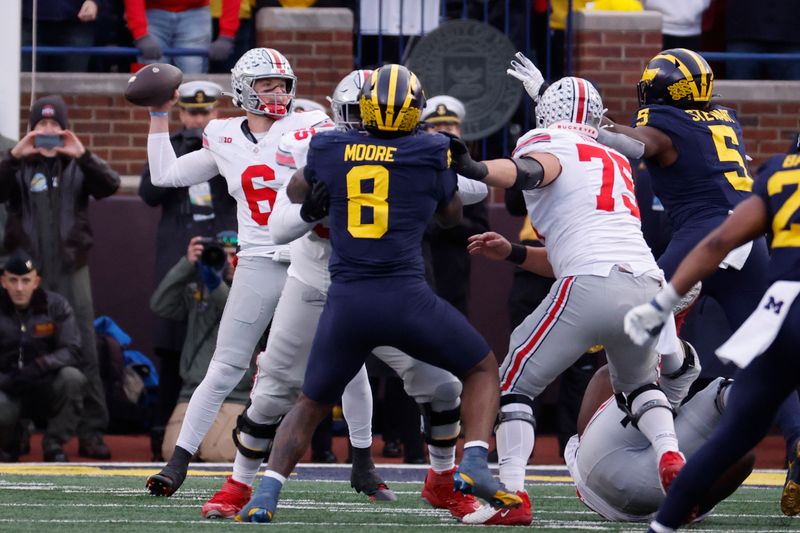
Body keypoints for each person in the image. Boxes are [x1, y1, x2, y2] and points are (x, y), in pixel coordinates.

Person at [233, 64, 521, 523]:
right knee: (482, 367)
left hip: (347, 301)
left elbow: (294, 189)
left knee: (309, 402)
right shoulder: (431, 149)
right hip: (406, 297)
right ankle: (474, 461)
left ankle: (265, 494)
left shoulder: (327, 145)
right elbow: (451, 218)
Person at [451, 74, 691, 526]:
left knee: (513, 384)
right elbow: (572, 251)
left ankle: (513, 497)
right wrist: (514, 252)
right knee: (640, 385)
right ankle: (671, 457)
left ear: (546, 116)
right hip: (645, 284)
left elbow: (528, 170)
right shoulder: (613, 155)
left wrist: (478, 169)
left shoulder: (548, 140)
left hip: (591, 282)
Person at [598, 48, 800, 487]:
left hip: (705, 238)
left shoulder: (666, 124)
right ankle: (798, 440)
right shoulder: (724, 116)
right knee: (766, 358)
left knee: (631, 319)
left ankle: (634, 433)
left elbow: (635, 143)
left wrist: (582, 123)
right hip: (750, 239)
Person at [144, 47, 333, 497]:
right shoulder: (222, 135)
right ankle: (178, 462)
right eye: (266, 83)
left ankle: (362, 461)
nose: (277, 92)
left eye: (283, 84)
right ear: (244, 89)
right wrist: (157, 114)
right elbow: (165, 174)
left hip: (308, 258)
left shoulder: (310, 127)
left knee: (340, 363)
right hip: (258, 260)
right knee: (225, 364)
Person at [624, 143, 800, 531]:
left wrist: (661, 303)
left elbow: (719, 241)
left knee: (735, 434)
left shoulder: (780, 172)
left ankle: (663, 526)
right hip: (767, 291)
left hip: (781, 310)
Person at [0, 95, 119, 460]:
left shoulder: (78, 165)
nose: (48, 132)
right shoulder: (19, 167)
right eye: (41, 126)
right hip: (27, 272)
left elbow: (110, 185)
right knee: (16, 347)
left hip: (71, 268)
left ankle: (91, 430)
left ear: (65, 128)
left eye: (55, 126)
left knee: (82, 345)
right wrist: (13, 156)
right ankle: (15, 430)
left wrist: (81, 154)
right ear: (32, 129)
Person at [138, 79, 236, 460]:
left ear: (216, 113)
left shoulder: (229, 146)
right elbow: (149, 193)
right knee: (172, 347)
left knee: (226, 342)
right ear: (180, 113)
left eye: (205, 112)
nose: (197, 119)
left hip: (226, 254)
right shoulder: (171, 147)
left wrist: (211, 150)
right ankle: (162, 435)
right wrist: (184, 150)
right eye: (191, 112)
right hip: (180, 258)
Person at [565, 362, 754, 522]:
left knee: (631, 368)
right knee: (732, 403)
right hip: (651, 493)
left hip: (595, 464)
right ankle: (684, 506)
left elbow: (606, 376)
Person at [150, 233, 257, 462]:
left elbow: (236, 311)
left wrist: (216, 285)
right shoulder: (196, 291)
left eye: (234, 256)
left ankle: (257, 437)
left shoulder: (257, 294)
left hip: (234, 394)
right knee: (171, 453)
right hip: (193, 390)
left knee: (216, 453)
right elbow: (160, 304)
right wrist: (187, 265)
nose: (228, 262)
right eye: (222, 255)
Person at [0, 251, 87, 462]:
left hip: (45, 385)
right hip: (7, 388)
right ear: (4, 282)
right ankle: (10, 441)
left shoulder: (56, 306)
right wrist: (5, 380)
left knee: (73, 378)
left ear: (36, 281)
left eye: (25, 281)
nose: (20, 288)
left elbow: (72, 349)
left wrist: (39, 367)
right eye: (14, 280)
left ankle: (54, 444)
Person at [123, 0, 244, 74]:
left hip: (195, 13)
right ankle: (157, 116)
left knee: (192, 74)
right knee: (154, 77)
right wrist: (140, 34)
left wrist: (227, 35)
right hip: (152, 11)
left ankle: (192, 114)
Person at [21, 0, 98, 72]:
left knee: (71, 82)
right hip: (27, 19)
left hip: (77, 21)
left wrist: (95, 2)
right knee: (23, 82)